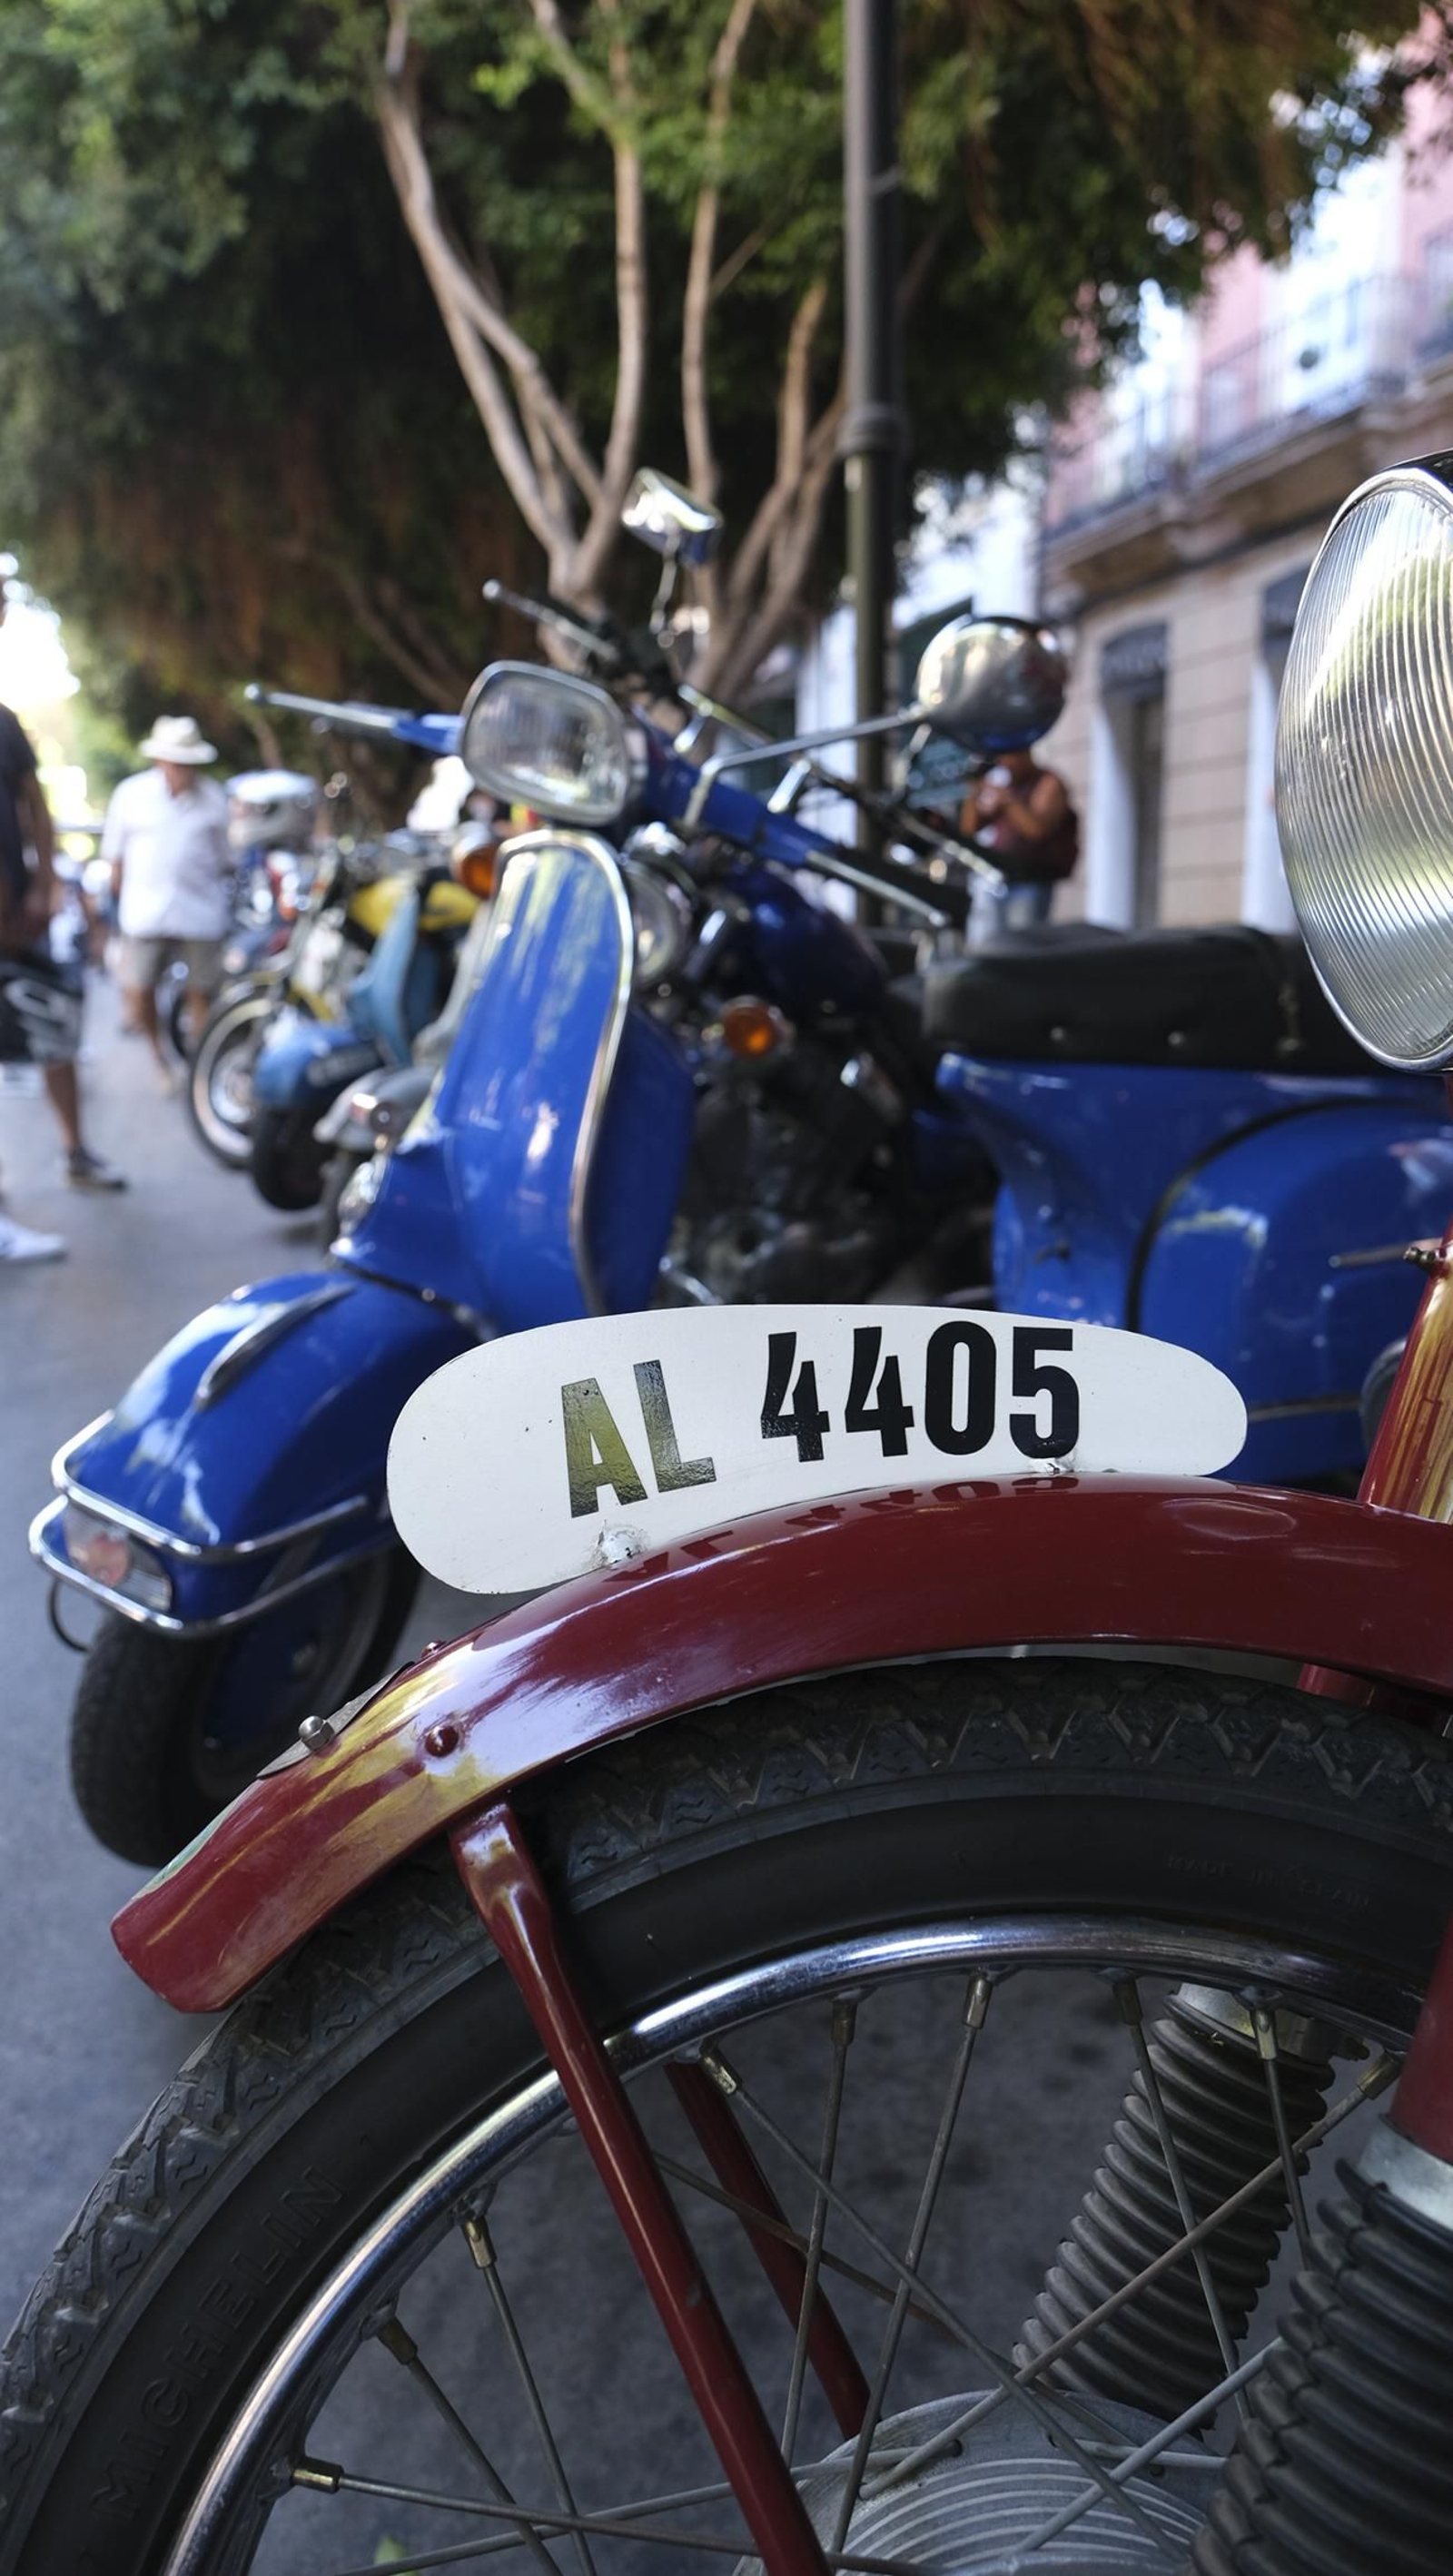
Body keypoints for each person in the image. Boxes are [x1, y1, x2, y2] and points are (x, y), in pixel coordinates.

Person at [0, 640, 126, 1262]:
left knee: (54, 1031)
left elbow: (37, 808)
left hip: (17, 923)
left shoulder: (3, 724)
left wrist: (46, 885)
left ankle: (76, 1152)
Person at [103, 715, 232, 1079]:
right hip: (145, 914)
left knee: (202, 992)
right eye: (177, 762)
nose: (183, 771)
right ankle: (159, 1057)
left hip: (200, 912)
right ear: (160, 760)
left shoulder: (214, 799)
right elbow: (115, 861)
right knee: (138, 991)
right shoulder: (130, 795)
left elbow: (226, 859)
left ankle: (200, 1070)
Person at [960, 747, 1079, 932]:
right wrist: (974, 790)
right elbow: (970, 829)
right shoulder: (1008, 785)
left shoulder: (1047, 782)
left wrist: (1008, 801)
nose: (1005, 764)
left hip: (1032, 880)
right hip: (1002, 878)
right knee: (996, 943)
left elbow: (1036, 831)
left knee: (1025, 942)